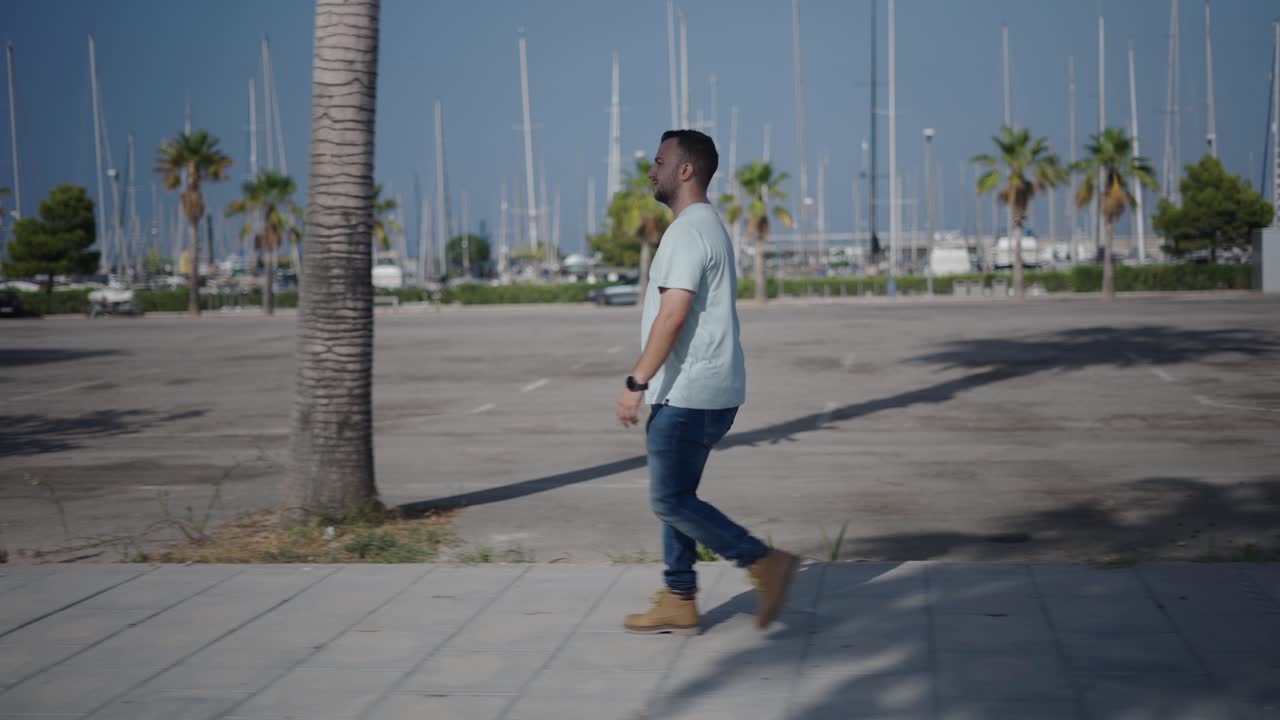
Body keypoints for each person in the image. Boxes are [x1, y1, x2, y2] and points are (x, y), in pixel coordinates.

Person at [615, 129, 797, 636]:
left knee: (669, 500)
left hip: (689, 391)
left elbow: (672, 316)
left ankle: (763, 562)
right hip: (711, 389)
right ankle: (679, 596)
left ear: (685, 169)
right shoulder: (709, 225)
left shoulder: (687, 232)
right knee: (679, 493)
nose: (651, 171)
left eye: (658, 161)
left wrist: (636, 381)